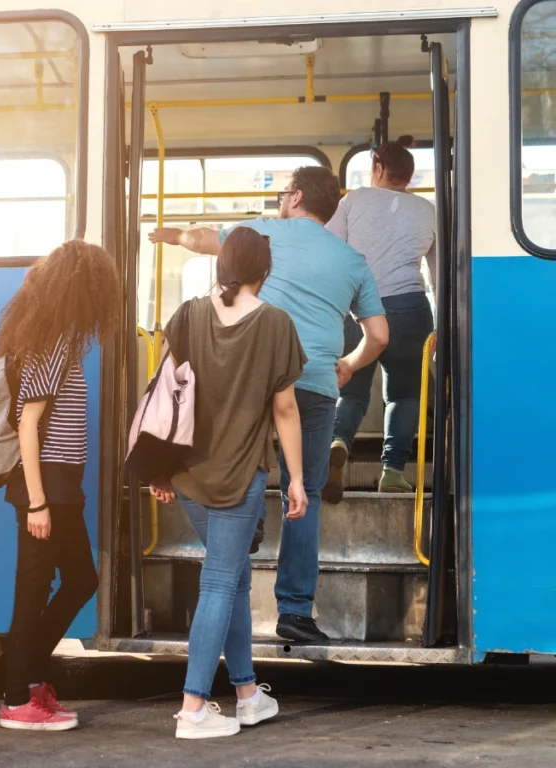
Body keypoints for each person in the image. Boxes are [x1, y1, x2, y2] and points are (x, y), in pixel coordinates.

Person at [149, 166, 388, 643]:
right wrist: (348, 364)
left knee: (244, 470)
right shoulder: (352, 259)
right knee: (308, 493)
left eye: (284, 193)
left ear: (296, 197)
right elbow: (379, 334)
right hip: (316, 382)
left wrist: (168, 233)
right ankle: (295, 612)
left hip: (252, 377)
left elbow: (201, 239)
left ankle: (250, 526)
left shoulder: (261, 234)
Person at [150, 227, 307, 739]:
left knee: (235, 578)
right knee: (220, 581)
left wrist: (159, 467)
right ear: (265, 270)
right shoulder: (276, 324)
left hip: (190, 476)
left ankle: (246, 694)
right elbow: (285, 409)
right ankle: (193, 709)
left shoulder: (189, 315)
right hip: (240, 477)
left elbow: (165, 395)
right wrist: (297, 480)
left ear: (221, 266)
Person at [0, 240, 119, 731]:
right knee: (32, 589)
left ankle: (24, 670)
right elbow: (28, 423)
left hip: (60, 483)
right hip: (44, 485)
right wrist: (37, 501)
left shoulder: (60, 336)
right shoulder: (54, 341)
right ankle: (15, 698)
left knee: (81, 580)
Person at [323, 136, 437, 500]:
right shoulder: (428, 210)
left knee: (352, 391)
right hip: (411, 308)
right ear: (409, 176)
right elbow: (439, 274)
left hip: (358, 308)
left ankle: (338, 441)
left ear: (377, 168)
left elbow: (329, 250)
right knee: (404, 396)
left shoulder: (354, 200)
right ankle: (392, 471)